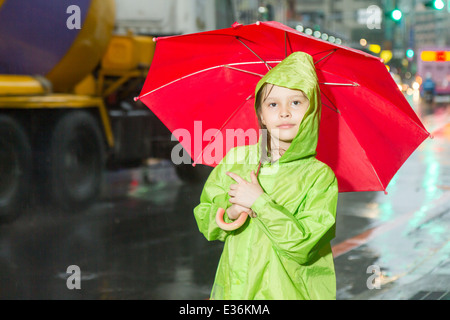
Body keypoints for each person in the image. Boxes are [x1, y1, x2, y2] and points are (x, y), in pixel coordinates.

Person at [193, 52, 338, 300]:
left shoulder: (319, 177)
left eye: (296, 103)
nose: (284, 112)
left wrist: (259, 202)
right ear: (260, 113)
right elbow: (206, 217)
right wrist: (231, 212)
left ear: (312, 109)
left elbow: (304, 245)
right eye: (273, 104)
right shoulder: (237, 159)